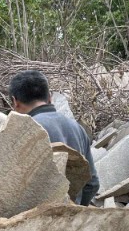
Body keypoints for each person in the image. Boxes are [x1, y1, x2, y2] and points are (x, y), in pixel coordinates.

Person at [9, 70, 100, 205]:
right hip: (72, 214)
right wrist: (79, 208)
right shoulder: (77, 128)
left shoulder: (22, 132)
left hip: (36, 216)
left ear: (15, 101)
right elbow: (92, 183)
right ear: (50, 97)